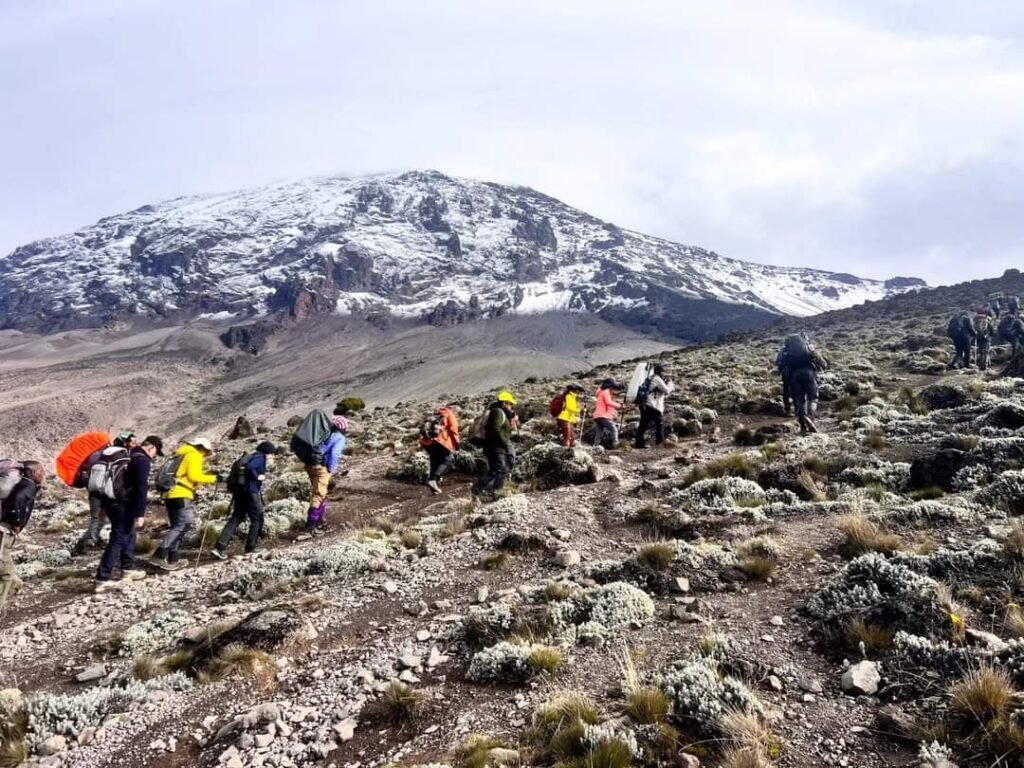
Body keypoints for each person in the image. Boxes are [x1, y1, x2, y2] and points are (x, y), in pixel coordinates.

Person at [95, 436, 163, 590]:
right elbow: (141, 488)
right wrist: (140, 513)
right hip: (122, 504)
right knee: (119, 537)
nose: (155, 456)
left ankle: (127, 569)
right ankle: (102, 578)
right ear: (151, 448)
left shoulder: (129, 455)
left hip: (110, 501)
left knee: (128, 534)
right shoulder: (142, 460)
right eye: (156, 452)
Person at [153, 437, 218, 569]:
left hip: (170, 494)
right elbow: (194, 476)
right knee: (183, 524)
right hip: (181, 494)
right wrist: (213, 478)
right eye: (205, 452)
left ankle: (173, 558)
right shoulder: (193, 455)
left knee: (177, 526)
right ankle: (159, 555)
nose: (205, 455)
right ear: (201, 448)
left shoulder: (180, 455)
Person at [212, 441, 278, 559]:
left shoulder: (251, 456)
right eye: (272, 454)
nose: (272, 456)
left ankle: (219, 547)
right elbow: (250, 467)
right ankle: (251, 547)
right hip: (250, 493)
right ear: (267, 452)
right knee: (258, 518)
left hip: (239, 492)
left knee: (236, 518)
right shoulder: (260, 457)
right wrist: (257, 477)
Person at [76, 430, 137, 554]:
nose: (135, 444)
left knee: (96, 518)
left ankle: (88, 544)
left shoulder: (102, 453)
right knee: (109, 519)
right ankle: (95, 543)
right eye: (133, 442)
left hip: (95, 490)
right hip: (110, 492)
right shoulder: (122, 456)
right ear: (126, 442)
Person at [0, 461, 44, 610]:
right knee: (6, 573)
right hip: (4, 532)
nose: (43, 474)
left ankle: (15, 587)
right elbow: (17, 501)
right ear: (32, 473)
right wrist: (17, 522)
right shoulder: (27, 486)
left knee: (7, 568)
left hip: (4, 531)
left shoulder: (22, 484)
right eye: (40, 471)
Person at [305, 416, 347, 536]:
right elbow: (334, 453)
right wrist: (330, 468)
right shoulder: (339, 437)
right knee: (319, 494)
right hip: (321, 467)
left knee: (318, 492)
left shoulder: (324, 433)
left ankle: (319, 520)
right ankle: (311, 525)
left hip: (310, 464)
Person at [472, 391, 517, 498]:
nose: (511, 406)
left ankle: (477, 489)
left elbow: (504, 429)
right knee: (502, 469)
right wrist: (504, 442)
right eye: (510, 404)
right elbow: (495, 428)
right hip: (496, 446)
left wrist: (511, 419)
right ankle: (497, 492)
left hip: (494, 445)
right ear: (504, 403)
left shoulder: (502, 413)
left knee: (494, 471)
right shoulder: (497, 411)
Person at [787, 339, 828, 433]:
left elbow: (785, 367)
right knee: (813, 398)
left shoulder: (789, 352)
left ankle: (803, 425)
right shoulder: (809, 349)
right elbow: (823, 363)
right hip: (809, 374)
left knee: (800, 400)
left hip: (795, 376)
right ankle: (810, 418)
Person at [420, 406, 460, 495]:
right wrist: (457, 442)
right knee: (447, 459)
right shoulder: (450, 414)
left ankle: (433, 484)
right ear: (453, 410)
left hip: (429, 442)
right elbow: (453, 429)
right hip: (441, 441)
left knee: (434, 462)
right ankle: (435, 478)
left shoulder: (437, 415)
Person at [634, 364, 674, 449]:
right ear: (660, 372)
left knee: (643, 425)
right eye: (663, 372)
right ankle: (659, 443)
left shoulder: (650, 378)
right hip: (653, 406)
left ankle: (638, 443)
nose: (664, 374)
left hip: (644, 404)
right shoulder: (657, 379)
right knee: (660, 425)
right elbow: (666, 391)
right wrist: (670, 384)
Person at [593, 379, 624, 449]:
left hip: (598, 416)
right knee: (613, 429)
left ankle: (595, 445)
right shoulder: (606, 392)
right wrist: (619, 406)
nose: (614, 390)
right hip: (603, 415)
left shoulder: (601, 392)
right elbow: (608, 402)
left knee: (599, 431)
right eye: (614, 388)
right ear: (610, 387)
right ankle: (616, 444)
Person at [973, 306, 994, 371]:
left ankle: (980, 364)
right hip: (986, 337)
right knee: (986, 351)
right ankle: (984, 365)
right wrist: (990, 335)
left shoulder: (975, 319)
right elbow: (991, 329)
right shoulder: (988, 319)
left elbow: (973, 328)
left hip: (978, 337)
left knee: (981, 351)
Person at [775, 346, 792, 415]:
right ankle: (799, 409)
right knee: (798, 390)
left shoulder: (783, 350)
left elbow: (778, 362)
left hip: (786, 373)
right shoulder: (802, 348)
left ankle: (788, 410)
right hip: (796, 372)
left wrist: (781, 370)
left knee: (786, 391)